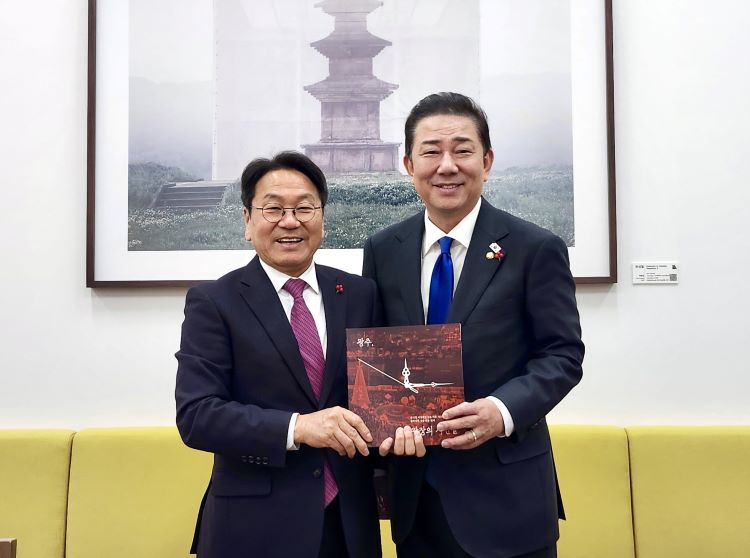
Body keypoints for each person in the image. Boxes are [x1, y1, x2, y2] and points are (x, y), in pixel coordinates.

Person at [362, 92, 584, 558]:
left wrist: (501, 412)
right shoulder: (384, 249)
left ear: (486, 161)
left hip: (507, 497)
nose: (447, 166)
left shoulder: (534, 248)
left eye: (462, 150)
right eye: (431, 152)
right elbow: (377, 353)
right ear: (409, 165)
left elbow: (562, 355)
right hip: (417, 498)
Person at [175, 151, 384, 558]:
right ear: (247, 221)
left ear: (322, 217)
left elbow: (378, 394)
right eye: (273, 209)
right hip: (253, 527)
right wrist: (298, 427)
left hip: (348, 525)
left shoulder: (360, 294)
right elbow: (197, 415)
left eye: (304, 208)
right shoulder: (214, 302)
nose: (290, 221)